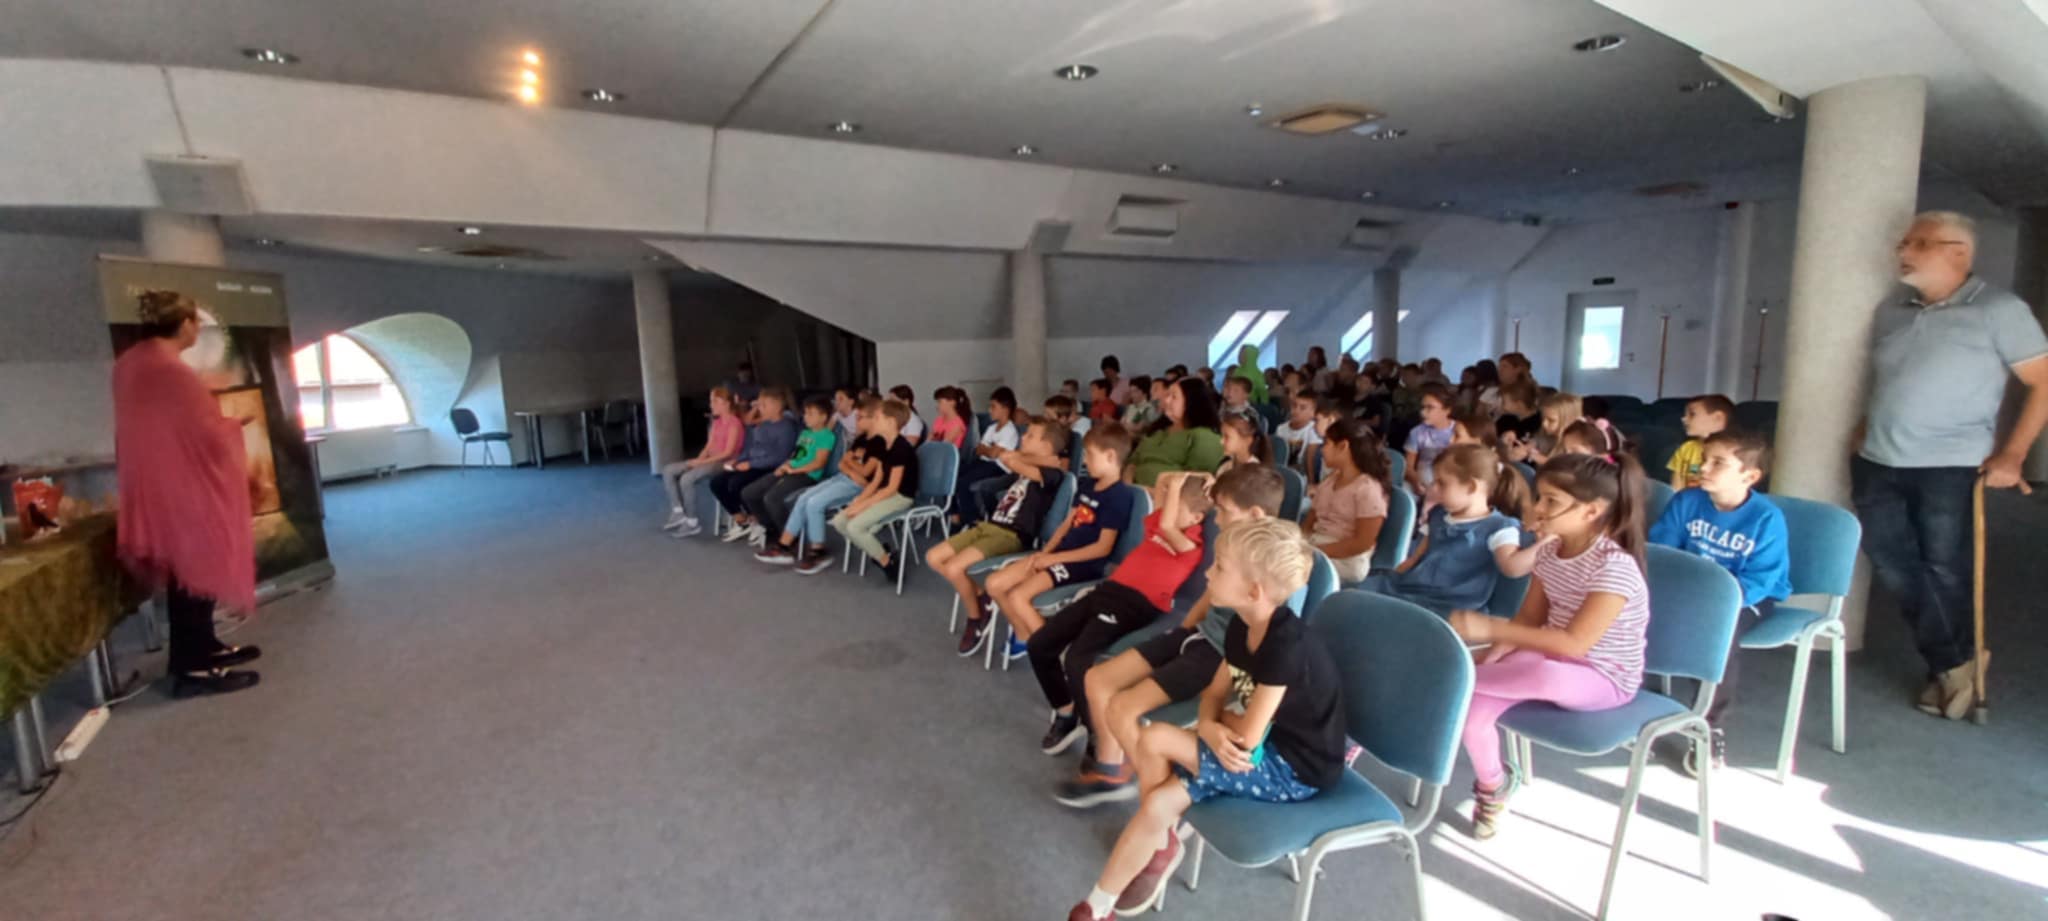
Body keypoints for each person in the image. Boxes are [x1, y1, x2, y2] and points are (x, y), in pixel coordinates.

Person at [1064, 517, 1340, 921]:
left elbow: (1246, 740)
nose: (1208, 573)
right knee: (1159, 801)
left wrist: (1212, 726)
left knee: (1155, 738)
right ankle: (1099, 904)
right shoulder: (1242, 626)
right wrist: (1209, 726)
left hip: (1294, 769)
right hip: (1255, 743)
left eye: (1220, 567)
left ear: (1254, 591)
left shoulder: (1284, 647)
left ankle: (1159, 846)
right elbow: (1214, 694)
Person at [1855, 213, 2048, 718]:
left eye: (1920, 243)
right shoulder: (1892, 310)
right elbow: (1891, 381)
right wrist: (1863, 428)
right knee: (1891, 562)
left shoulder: (1998, 309)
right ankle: (1957, 660)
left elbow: (2043, 382)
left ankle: (1949, 666)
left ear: (1959, 253)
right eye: (1905, 242)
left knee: (1944, 568)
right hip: (1877, 458)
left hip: (1949, 463)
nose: (1905, 251)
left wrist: (2013, 454)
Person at [1448, 452, 1651, 839]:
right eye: (1540, 497)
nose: (1538, 508)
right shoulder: (1549, 552)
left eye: (1551, 501)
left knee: (1540, 674)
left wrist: (1490, 628)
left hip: (1604, 677)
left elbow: (1574, 644)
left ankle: (1451, 680)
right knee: (1472, 716)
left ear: (1591, 511)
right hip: (1547, 657)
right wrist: (1496, 648)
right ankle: (1493, 786)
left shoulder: (1614, 567)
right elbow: (1528, 620)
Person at [1056, 464, 1285, 807]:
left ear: (1255, 515)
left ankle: (1156, 796)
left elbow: (1264, 644)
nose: (1217, 518)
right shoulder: (1231, 541)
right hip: (1195, 636)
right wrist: (1182, 632)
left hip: (1218, 655)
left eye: (1224, 511)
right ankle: (1111, 768)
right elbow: (1208, 597)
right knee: (1097, 679)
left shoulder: (1270, 565)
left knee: (1123, 707)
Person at [113, 289, 263, 696]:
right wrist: (235, 424)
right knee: (194, 572)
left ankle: (203, 646)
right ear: (184, 324)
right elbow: (204, 434)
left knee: (188, 573)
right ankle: (193, 666)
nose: (198, 330)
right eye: (196, 322)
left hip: (159, 484)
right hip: (182, 487)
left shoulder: (132, 363)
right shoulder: (170, 371)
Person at [1027, 472, 1211, 757]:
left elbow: (1167, 523)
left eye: (1176, 508)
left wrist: (1177, 488)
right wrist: (1188, 477)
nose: (1167, 511)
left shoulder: (1190, 546)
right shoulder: (1161, 522)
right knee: (1040, 644)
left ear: (1196, 518)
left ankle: (1097, 736)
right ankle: (1067, 712)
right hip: (1109, 590)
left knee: (1077, 660)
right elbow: (1161, 481)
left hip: (1136, 604)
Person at [1650, 429, 1790, 771]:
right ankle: (1638, 706)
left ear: (1749, 476)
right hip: (1690, 591)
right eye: (1703, 460)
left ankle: (1709, 726)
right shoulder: (1687, 501)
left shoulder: (1766, 519)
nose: (1703, 468)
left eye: (1718, 463)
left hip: (1744, 597)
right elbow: (1662, 551)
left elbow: (1759, 580)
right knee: (1634, 614)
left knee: (1717, 636)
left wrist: (1712, 603)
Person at [983, 425, 1137, 658]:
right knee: (994, 584)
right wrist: (1045, 553)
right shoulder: (1087, 485)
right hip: (1058, 556)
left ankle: (1055, 656)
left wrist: (1052, 559)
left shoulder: (1119, 495)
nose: (1084, 461)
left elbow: (1102, 548)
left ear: (1110, 456)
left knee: (1018, 597)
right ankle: (1025, 636)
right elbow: (1066, 524)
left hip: (1081, 564)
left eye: (1089, 455)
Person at [939, 420, 1070, 651]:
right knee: (935, 557)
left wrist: (1045, 461)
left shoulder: (1053, 474)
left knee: (953, 568)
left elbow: (1008, 458)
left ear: (1047, 445)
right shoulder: (1038, 463)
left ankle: (975, 616)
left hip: (1012, 533)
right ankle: (981, 596)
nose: (1023, 437)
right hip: (991, 526)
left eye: (1030, 435)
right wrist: (1042, 458)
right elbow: (1007, 456)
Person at [1364, 444, 1536, 616]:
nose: (1433, 488)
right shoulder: (1438, 514)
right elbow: (1415, 559)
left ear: (1471, 487)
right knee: (1361, 592)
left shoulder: (1500, 527)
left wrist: (1544, 542)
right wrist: (1390, 578)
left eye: (1441, 483)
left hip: (1451, 606)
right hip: (1412, 590)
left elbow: (1511, 568)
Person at [769, 396, 882, 574]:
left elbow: (865, 474)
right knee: (804, 498)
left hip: (858, 485)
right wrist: (852, 465)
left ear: (876, 418)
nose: (856, 422)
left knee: (815, 503)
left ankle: (818, 550)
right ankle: (784, 545)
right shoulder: (861, 439)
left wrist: (850, 465)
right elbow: (842, 463)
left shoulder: (880, 443)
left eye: (860, 418)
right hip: (843, 477)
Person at [830, 399, 921, 583]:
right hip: (884, 494)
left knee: (855, 527)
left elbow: (892, 488)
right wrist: (859, 501)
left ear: (891, 422)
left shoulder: (901, 448)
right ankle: (881, 552)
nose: (874, 421)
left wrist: (863, 506)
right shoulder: (885, 445)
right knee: (840, 521)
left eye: (878, 417)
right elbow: (877, 481)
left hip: (900, 497)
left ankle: (887, 563)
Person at [745, 397, 839, 564]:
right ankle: (772, 529)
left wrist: (794, 470)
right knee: (750, 493)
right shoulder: (805, 433)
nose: (806, 417)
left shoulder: (827, 436)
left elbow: (819, 463)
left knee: (772, 498)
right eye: (805, 413)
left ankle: (790, 541)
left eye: (811, 414)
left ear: (823, 417)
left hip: (807, 475)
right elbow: (796, 455)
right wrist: (785, 466)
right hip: (790, 470)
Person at [1303, 419, 1389, 583]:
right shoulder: (1330, 480)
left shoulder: (1367, 489)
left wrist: (1314, 552)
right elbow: (1311, 519)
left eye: (1326, 443)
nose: (1322, 449)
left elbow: (1361, 543)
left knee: (1287, 568)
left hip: (1347, 559)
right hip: (1316, 545)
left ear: (1343, 446)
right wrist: (1301, 542)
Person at [709, 388, 798, 546]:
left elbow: (780, 458)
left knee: (736, 484)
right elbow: (751, 449)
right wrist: (737, 460)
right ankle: (742, 521)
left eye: (763, 405)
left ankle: (756, 520)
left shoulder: (786, 427)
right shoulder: (763, 425)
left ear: (777, 406)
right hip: (752, 463)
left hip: (769, 467)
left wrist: (750, 464)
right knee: (717, 482)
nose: (759, 409)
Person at [662, 386, 745, 538]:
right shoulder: (716, 422)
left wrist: (701, 463)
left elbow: (727, 453)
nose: (711, 405)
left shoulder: (735, 423)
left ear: (726, 403)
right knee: (668, 470)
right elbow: (709, 446)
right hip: (709, 460)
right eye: (711, 401)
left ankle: (692, 522)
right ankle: (678, 512)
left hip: (724, 463)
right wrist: (699, 459)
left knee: (687, 479)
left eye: (715, 401)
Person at [1128, 377, 1226, 492]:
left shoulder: (1204, 437)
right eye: (1167, 395)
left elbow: (1195, 484)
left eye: (1174, 397)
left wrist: (1150, 493)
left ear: (1191, 402)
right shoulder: (1158, 430)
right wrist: (1129, 488)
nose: (1166, 400)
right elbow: (1132, 463)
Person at [956, 386, 1020, 525]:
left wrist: (988, 449)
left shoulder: (1010, 431)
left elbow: (993, 454)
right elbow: (978, 450)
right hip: (983, 462)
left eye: (993, 407)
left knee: (964, 482)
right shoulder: (991, 428)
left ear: (1005, 409)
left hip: (998, 467)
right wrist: (989, 449)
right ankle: (956, 514)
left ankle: (972, 519)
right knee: (955, 474)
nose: (990, 410)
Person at [1668, 394, 1735, 489]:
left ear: (1717, 418)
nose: (1684, 419)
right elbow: (1676, 485)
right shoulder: (1686, 448)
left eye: (1692, 414)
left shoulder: (1733, 452)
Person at [1404, 383, 1456, 494]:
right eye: (1422, 407)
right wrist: (1416, 482)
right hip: (1422, 482)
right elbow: (1409, 466)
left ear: (1447, 410)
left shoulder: (1458, 430)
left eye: (1430, 408)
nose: (1423, 412)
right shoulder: (1416, 432)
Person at [1528, 392, 1584, 465]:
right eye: (1543, 418)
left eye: (1551, 420)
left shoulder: (1577, 446)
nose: (1544, 424)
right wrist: (1528, 446)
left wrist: (1541, 459)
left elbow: (1568, 467)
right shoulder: (1547, 435)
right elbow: (1537, 440)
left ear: (1569, 421)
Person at [1274, 391, 1322, 470]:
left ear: (1313, 413)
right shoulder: (1280, 429)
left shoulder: (1314, 429)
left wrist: (1310, 478)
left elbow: (1310, 460)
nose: (1296, 410)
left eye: (1302, 408)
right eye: (1294, 405)